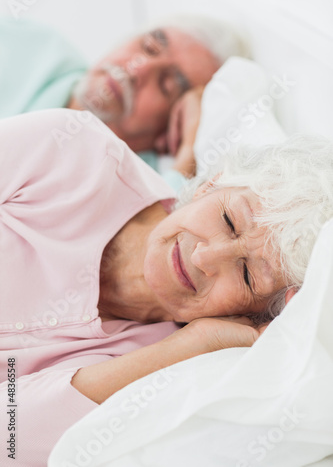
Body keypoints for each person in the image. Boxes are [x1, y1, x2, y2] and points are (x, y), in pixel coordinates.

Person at [1, 108, 332, 466]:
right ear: (212, 184)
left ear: (253, 315)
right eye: (228, 220)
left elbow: (10, 442)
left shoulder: (172, 369)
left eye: (248, 275)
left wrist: (193, 344)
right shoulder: (69, 148)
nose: (205, 256)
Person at [0, 15, 247, 182]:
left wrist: (188, 154)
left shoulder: (138, 194)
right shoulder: (22, 43)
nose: (136, 69)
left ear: (171, 130)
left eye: (166, 84)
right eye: (149, 47)